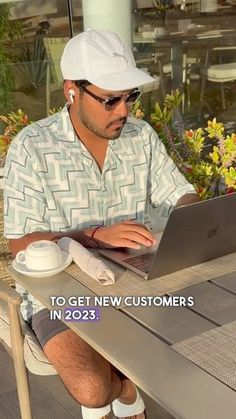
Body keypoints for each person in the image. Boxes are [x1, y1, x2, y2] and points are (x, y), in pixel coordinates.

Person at [4, 29, 199, 419]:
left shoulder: (140, 137)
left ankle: (128, 388)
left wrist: (189, 218)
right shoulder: (33, 147)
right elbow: (20, 243)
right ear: (71, 92)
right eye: (110, 100)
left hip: (138, 288)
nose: (124, 111)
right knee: (93, 391)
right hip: (67, 299)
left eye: (130, 96)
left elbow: (182, 195)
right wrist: (91, 237)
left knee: (210, 346)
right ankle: (125, 390)